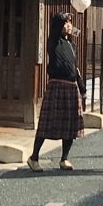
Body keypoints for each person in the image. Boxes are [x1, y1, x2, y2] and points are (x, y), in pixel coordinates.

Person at [27, 12, 85, 172]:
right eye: (65, 23)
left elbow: (76, 68)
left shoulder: (72, 46)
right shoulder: (53, 42)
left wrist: (82, 88)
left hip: (71, 86)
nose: (68, 25)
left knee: (70, 125)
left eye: (70, 23)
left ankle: (64, 158)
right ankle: (34, 157)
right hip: (56, 85)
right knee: (47, 123)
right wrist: (62, 20)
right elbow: (55, 27)